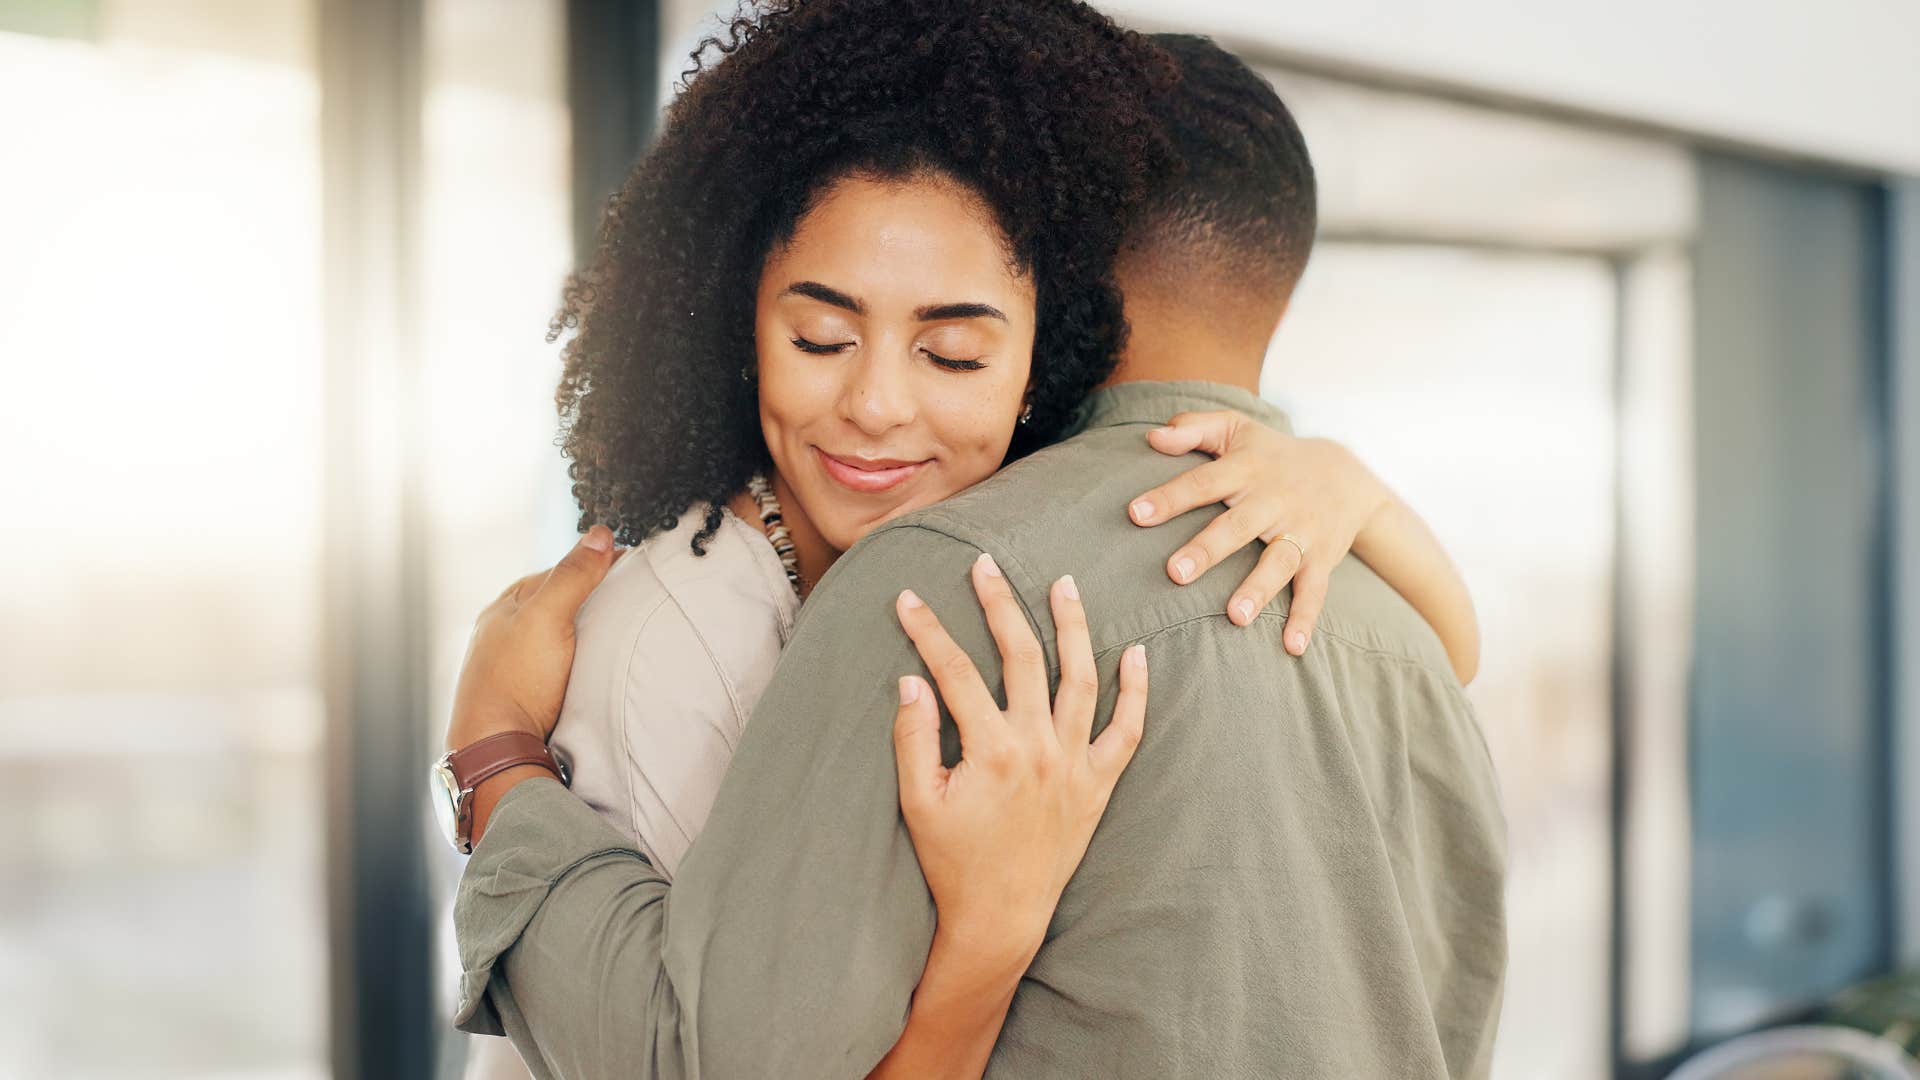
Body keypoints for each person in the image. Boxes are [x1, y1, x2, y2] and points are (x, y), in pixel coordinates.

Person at [449, 14, 1504, 1080]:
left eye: (953, 349)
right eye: (821, 337)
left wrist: (493, 756)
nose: (876, 403)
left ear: (1059, 304)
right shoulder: (1395, 627)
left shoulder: (943, 588)